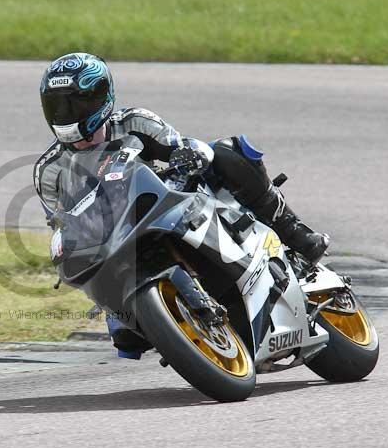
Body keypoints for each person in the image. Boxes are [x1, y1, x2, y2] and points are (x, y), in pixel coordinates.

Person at [33, 53, 329, 357]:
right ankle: (164, 320)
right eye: (57, 106)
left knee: (227, 152)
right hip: (115, 243)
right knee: (126, 336)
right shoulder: (49, 170)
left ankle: (294, 231)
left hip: (167, 203)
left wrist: (189, 154)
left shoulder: (135, 121)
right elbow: (62, 223)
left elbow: (180, 147)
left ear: (101, 97)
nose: (66, 114)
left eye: (76, 104)